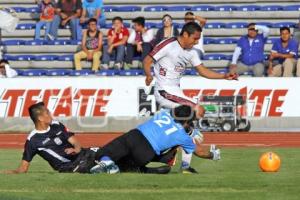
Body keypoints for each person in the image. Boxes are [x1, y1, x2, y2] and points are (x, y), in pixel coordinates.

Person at [143, 22, 237, 174]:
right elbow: (147, 60)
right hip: (164, 91)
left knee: (184, 127)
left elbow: (202, 70)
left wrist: (224, 76)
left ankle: (184, 165)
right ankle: (185, 142)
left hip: (175, 92)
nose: (196, 42)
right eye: (195, 38)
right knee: (197, 110)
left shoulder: (192, 52)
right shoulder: (168, 44)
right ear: (185, 34)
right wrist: (148, 75)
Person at [2, 102, 172, 174]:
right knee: (114, 164)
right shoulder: (33, 141)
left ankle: (162, 157)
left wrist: (75, 148)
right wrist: (8, 173)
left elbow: (74, 140)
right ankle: (151, 169)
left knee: (120, 148)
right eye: (47, 112)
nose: (50, 113)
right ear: (40, 118)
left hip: (84, 154)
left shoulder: (57, 125)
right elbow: (23, 168)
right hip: (71, 167)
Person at [90, 105, 221, 174]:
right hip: (146, 152)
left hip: (135, 136)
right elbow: (200, 152)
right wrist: (213, 155)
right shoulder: (183, 136)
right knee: (129, 165)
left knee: (103, 152)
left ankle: (106, 161)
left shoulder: (164, 113)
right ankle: (119, 168)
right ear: (188, 119)